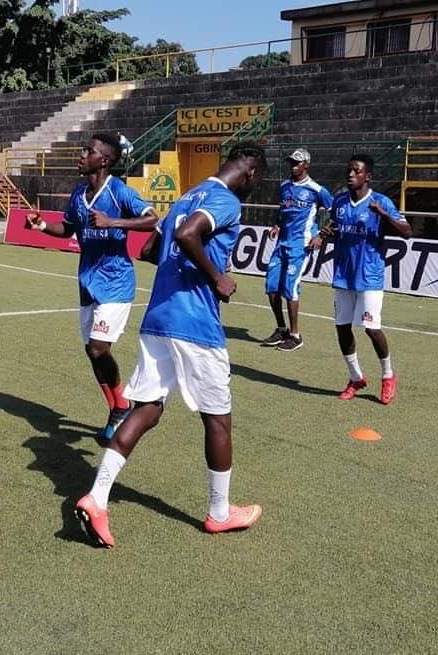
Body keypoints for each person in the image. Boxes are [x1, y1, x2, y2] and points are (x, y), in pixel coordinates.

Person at [74, 142, 268, 549]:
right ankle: (219, 513)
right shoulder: (225, 200)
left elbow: (150, 249)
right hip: (195, 322)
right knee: (218, 419)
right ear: (250, 172)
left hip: (158, 318)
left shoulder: (187, 196)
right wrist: (217, 277)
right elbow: (186, 234)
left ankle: (97, 496)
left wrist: (179, 263)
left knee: (146, 409)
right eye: (259, 178)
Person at [24, 134, 158, 444]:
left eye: (89, 151)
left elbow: (152, 219)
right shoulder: (78, 194)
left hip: (116, 282)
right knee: (91, 351)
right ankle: (117, 408)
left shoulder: (120, 191)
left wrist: (114, 222)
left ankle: (122, 403)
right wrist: (41, 226)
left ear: (105, 160)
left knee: (99, 347)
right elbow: (68, 228)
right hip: (87, 283)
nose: (82, 155)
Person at [319, 154, 411, 404]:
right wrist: (325, 234)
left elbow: (407, 232)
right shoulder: (339, 201)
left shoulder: (381, 202)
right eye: (349, 170)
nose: (350, 175)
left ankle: (388, 375)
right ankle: (355, 377)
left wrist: (383, 215)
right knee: (342, 327)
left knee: (372, 329)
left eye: (356, 171)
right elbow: (335, 227)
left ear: (367, 176)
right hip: (343, 275)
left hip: (370, 276)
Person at [261, 148, 334, 351]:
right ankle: (281, 329)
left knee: (290, 288)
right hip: (281, 243)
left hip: (301, 245)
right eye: (291, 162)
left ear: (306, 165)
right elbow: (282, 211)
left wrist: (321, 235)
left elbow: (337, 213)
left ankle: (295, 335)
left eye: (297, 162)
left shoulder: (316, 189)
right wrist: (276, 225)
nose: (293, 166)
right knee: (272, 287)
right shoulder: (284, 186)